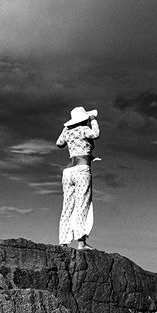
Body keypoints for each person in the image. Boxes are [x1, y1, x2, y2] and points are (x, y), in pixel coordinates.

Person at [56, 106, 99, 249]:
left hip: (68, 171)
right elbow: (96, 134)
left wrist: (65, 128)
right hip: (81, 170)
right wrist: (93, 121)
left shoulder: (69, 133)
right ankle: (81, 242)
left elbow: (59, 144)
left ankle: (63, 242)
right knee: (82, 204)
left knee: (67, 205)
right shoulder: (84, 129)